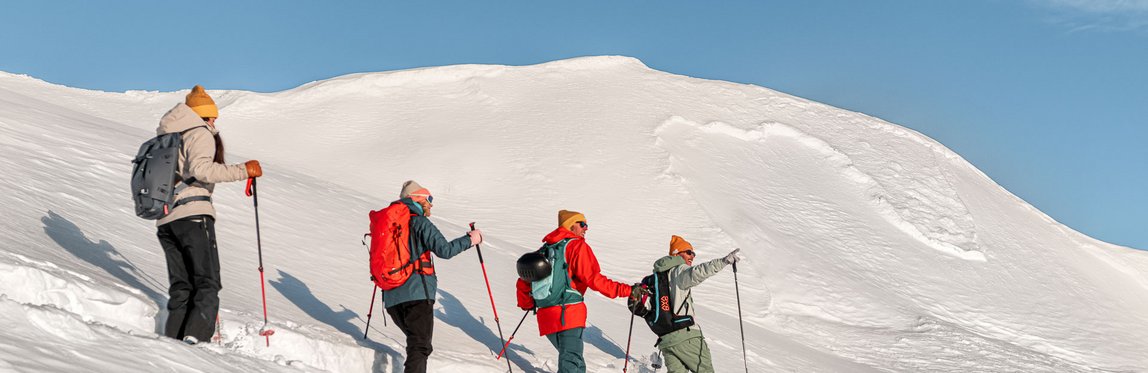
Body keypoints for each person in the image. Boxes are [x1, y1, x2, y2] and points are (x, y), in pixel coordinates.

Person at [155, 85, 262, 344]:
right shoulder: (199, 133)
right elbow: (203, 171)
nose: (214, 121)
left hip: (166, 219)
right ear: (201, 115)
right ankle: (196, 341)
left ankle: (172, 343)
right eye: (211, 116)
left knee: (182, 287)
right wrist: (243, 171)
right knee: (207, 282)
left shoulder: (168, 135)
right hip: (193, 215)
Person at [516, 210, 644, 373]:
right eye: (582, 224)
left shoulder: (545, 249)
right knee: (572, 365)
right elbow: (595, 280)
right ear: (571, 226)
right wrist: (629, 290)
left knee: (573, 362)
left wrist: (526, 303)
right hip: (568, 313)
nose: (586, 228)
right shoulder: (576, 246)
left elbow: (524, 279)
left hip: (546, 317)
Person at [383, 180, 483, 373]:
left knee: (419, 345)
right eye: (429, 199)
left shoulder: (389, 223)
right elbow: (444, 250)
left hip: (391, 297)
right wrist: (471, 239)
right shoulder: (420, 222)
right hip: (417, 293)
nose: (431, 204)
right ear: (417, 199)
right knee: (420, 346)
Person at [643, 235, 741, 373]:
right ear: (677, 253)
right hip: (686, 337)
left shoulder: (658, 277)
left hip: (666, 340)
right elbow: (698, 272)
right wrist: (723, 262)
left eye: (693, 253)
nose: (692, 256)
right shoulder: (678, 271)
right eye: (688, 252)